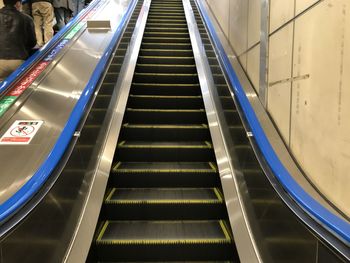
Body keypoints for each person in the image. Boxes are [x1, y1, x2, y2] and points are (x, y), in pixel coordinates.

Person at [0, 0, 36, 81]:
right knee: (19, 87)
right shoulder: (27, 19)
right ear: (18, 3)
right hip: (19, 60)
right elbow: (32, 42)